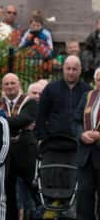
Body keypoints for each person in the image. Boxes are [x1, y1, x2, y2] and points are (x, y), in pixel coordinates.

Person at [1, 73, 38, 220]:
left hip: (26, 153)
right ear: (2, 87)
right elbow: (20, 121)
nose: (10, 86)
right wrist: (18, 122)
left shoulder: (30, 101)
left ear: (19, 84)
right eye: (7, 84)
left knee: (33, 190)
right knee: (9, 193)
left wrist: (3, 121)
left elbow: (26, 118)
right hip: (7, 153)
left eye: (13, 83)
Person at [36, 56, 90, 142]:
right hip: (53, 140)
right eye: (68, 68)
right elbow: (41, 115)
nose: (71, 72)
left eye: (74, 69)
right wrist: (42, 137)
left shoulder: (87, 91)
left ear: (80, 70)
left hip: (79, 142)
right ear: (63, 69)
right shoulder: (50, 88)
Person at [73, 70, 100, 220]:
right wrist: (81, 134)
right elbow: (75, 121)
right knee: (83, 199)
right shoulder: (88, 96)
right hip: (86, 156)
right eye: (98, 80)